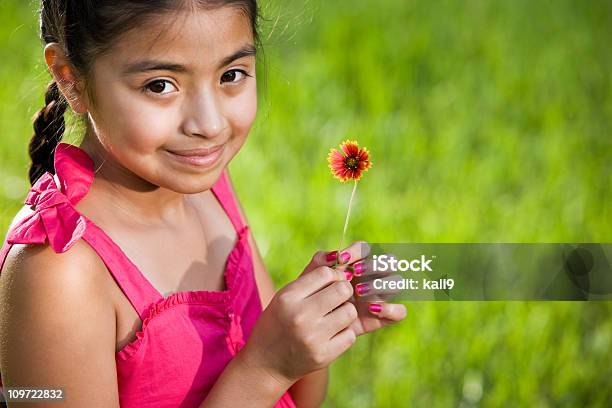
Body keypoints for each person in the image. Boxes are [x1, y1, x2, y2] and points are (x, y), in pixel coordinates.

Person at [0, 1, 407, 406]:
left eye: (231, 75)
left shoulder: (206, 190)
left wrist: (315, 335)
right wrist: (264, 368)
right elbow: (267, 377)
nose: (209, 124)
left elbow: (297, 401)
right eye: (160, 85)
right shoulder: (57, 270)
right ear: (70, 80)